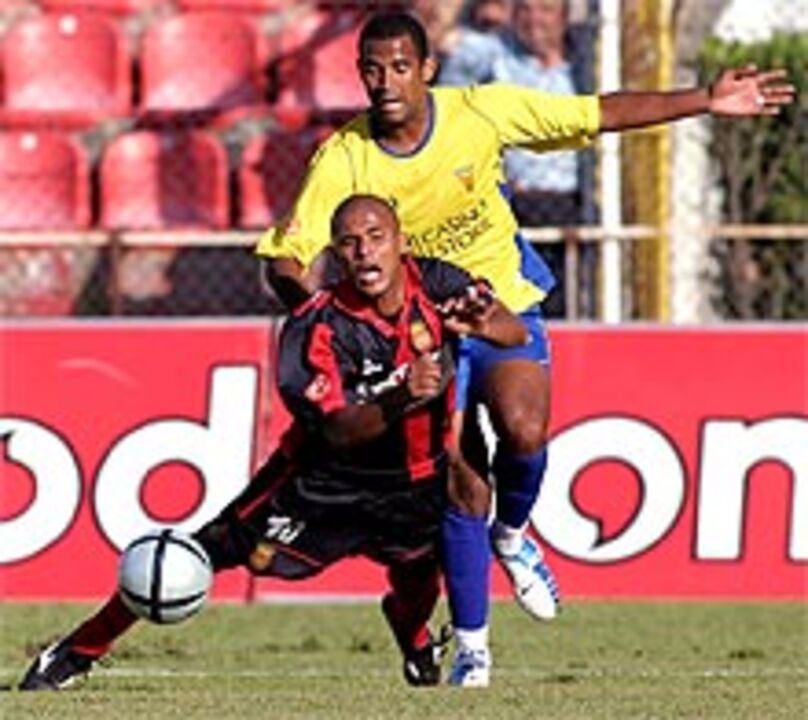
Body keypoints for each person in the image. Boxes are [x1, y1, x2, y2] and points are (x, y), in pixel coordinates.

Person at [255, 11, 794, 685]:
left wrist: (705, 100)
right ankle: (474, 651)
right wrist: (320, 318)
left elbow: (593, 114)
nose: (385, 81)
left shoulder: (481, 114)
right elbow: (289, 255)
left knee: (525, 432)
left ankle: (513, 533)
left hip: (501, 304)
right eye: (372, 68)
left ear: (427, 70)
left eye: (399, 67)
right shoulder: (343, 158)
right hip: (422, 336)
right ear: (359, 73)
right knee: (459, 478)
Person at [19, 194, 528, 691]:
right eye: (349, 243)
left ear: (399, 242)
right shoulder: (317, 326)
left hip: (416, 480)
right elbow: (335, 431)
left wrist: (486, 323)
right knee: (194, 557)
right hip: (322, 484)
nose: (365, 252)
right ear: (334, 253)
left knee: (418, 573)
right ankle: (78, 650)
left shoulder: (438, 282)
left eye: (376, 238)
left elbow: (514, 333)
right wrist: (398, 399)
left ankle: (415, 639)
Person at [440, 0, 593, 316]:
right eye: (526, 9)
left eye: (546, 10)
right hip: (512, 199)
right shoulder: (489, 54)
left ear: (563, 18)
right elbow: (445, 110)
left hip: (572, 200)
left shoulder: (584, 62)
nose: (534, 20)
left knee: (567, 300)